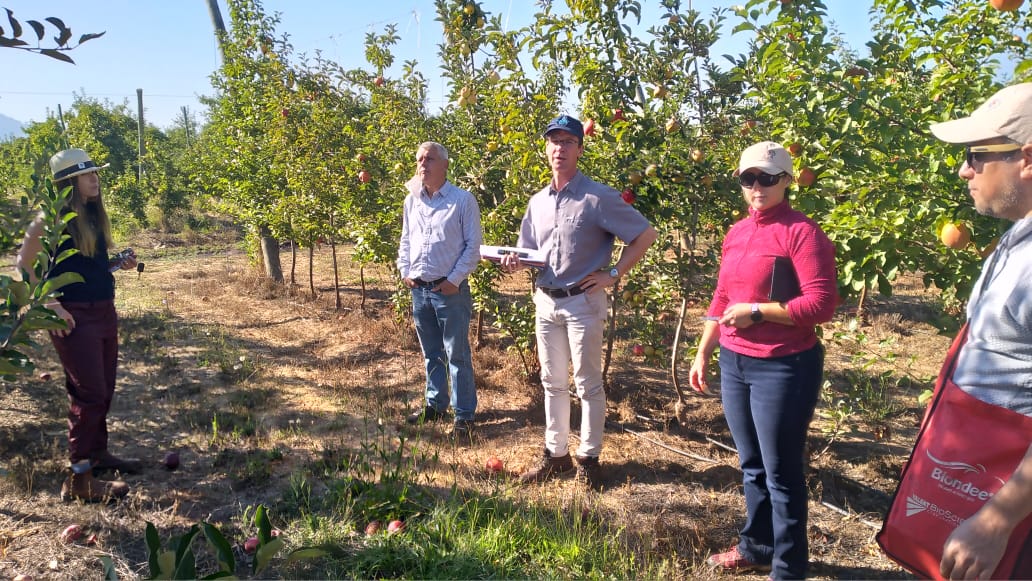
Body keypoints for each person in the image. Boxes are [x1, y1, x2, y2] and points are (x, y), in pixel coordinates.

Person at [688, 141, 838, 580]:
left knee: (781, 472)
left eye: (768, 178)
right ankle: (756, 547)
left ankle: (789, 569)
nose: (758, 186)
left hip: (783, 365)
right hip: (736, 363)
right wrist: (704, 350)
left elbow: (821, 304)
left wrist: (758, 312)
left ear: (787, 181)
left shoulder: (801, 233)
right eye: (749, 178)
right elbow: (722, 296)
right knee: (751, 465)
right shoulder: (737, 232)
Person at [501, 114, 657, 489]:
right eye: (554, 141)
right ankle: (556, 456)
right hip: (546, 300)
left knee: (587, 383)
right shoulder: (537, 202)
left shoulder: (598, 197)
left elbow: (645, 235)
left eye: (568, 142)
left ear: (580, 149)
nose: (560, 148)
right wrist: (514, 260)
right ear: (546, 149)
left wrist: (613, 274)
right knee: (552, 381)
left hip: (582, 302)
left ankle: (589, 458)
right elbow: (528, 251)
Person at [923, 82, 1032, 581]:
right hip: (979, 476)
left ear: (1026, 159)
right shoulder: (1016, 237)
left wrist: (996, 521)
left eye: (975, 155)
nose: (964, 170)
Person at [17, 148, 142, 502]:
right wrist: (51, 305)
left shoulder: (90, 215)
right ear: (68, 183)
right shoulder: (48, 221)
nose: (94, 179)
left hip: (103, 311)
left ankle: (96, 455)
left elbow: (85, 268)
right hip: (74, 316)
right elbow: (24, 267)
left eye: (95, 172)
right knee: (89, 394)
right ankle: (79, 479)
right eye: (86, 174)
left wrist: (116, 264)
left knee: (104, 389)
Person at [397, 141, 483, 438]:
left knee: (457, 354)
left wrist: (454, 280)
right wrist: (405, 271)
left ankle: (464, 415)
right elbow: (406, 240)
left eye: (430, 159)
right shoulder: (412, 201)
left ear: (445, 165)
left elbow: (473, 246)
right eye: (420, 159)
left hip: (449, 291)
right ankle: (435, 404)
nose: (423, 164)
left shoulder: (462, 200)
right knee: (431, 352)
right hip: (420, 290)